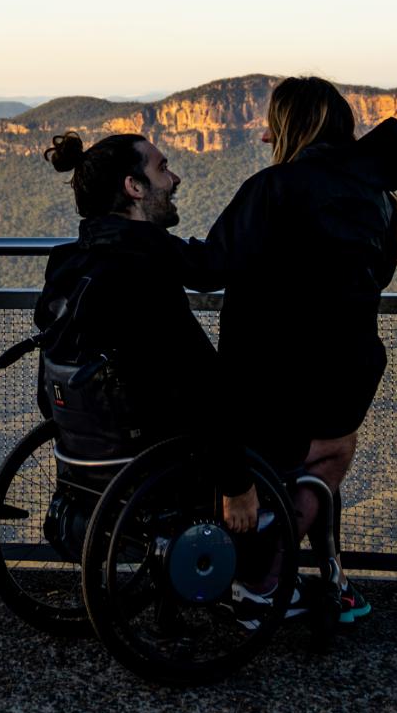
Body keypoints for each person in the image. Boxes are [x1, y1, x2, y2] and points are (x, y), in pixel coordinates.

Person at [175, 76, 397, 622]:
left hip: (265, 369)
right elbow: (374, 275)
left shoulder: (274, 188)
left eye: (270, 123)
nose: (261, 134)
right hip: (341, 372)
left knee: (281, 461)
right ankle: (280, 572)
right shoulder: (375, 198)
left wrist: (137, 244)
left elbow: (211, 266)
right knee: (324, 460)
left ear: (290, 126)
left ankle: (258, 584)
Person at [34, 130, 253, 513]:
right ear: (134, 186)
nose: (174, 179)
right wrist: (237, 484)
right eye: (163, 168)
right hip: (154, 454)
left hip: (90, 454)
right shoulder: (143, 265)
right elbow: (204, 379)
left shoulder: (69, 262)